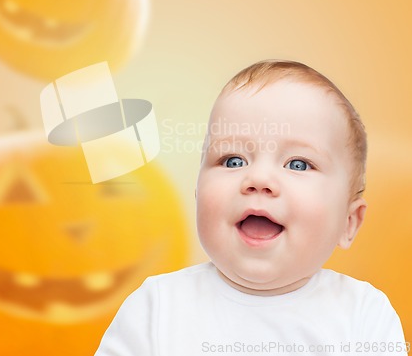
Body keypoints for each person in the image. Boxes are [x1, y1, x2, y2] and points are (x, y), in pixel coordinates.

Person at [94, 60, 407, 356]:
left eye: (298, 164)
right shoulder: (157, 306)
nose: (258, 178)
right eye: (233, 160)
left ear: (349, 222)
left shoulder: (364, 315)